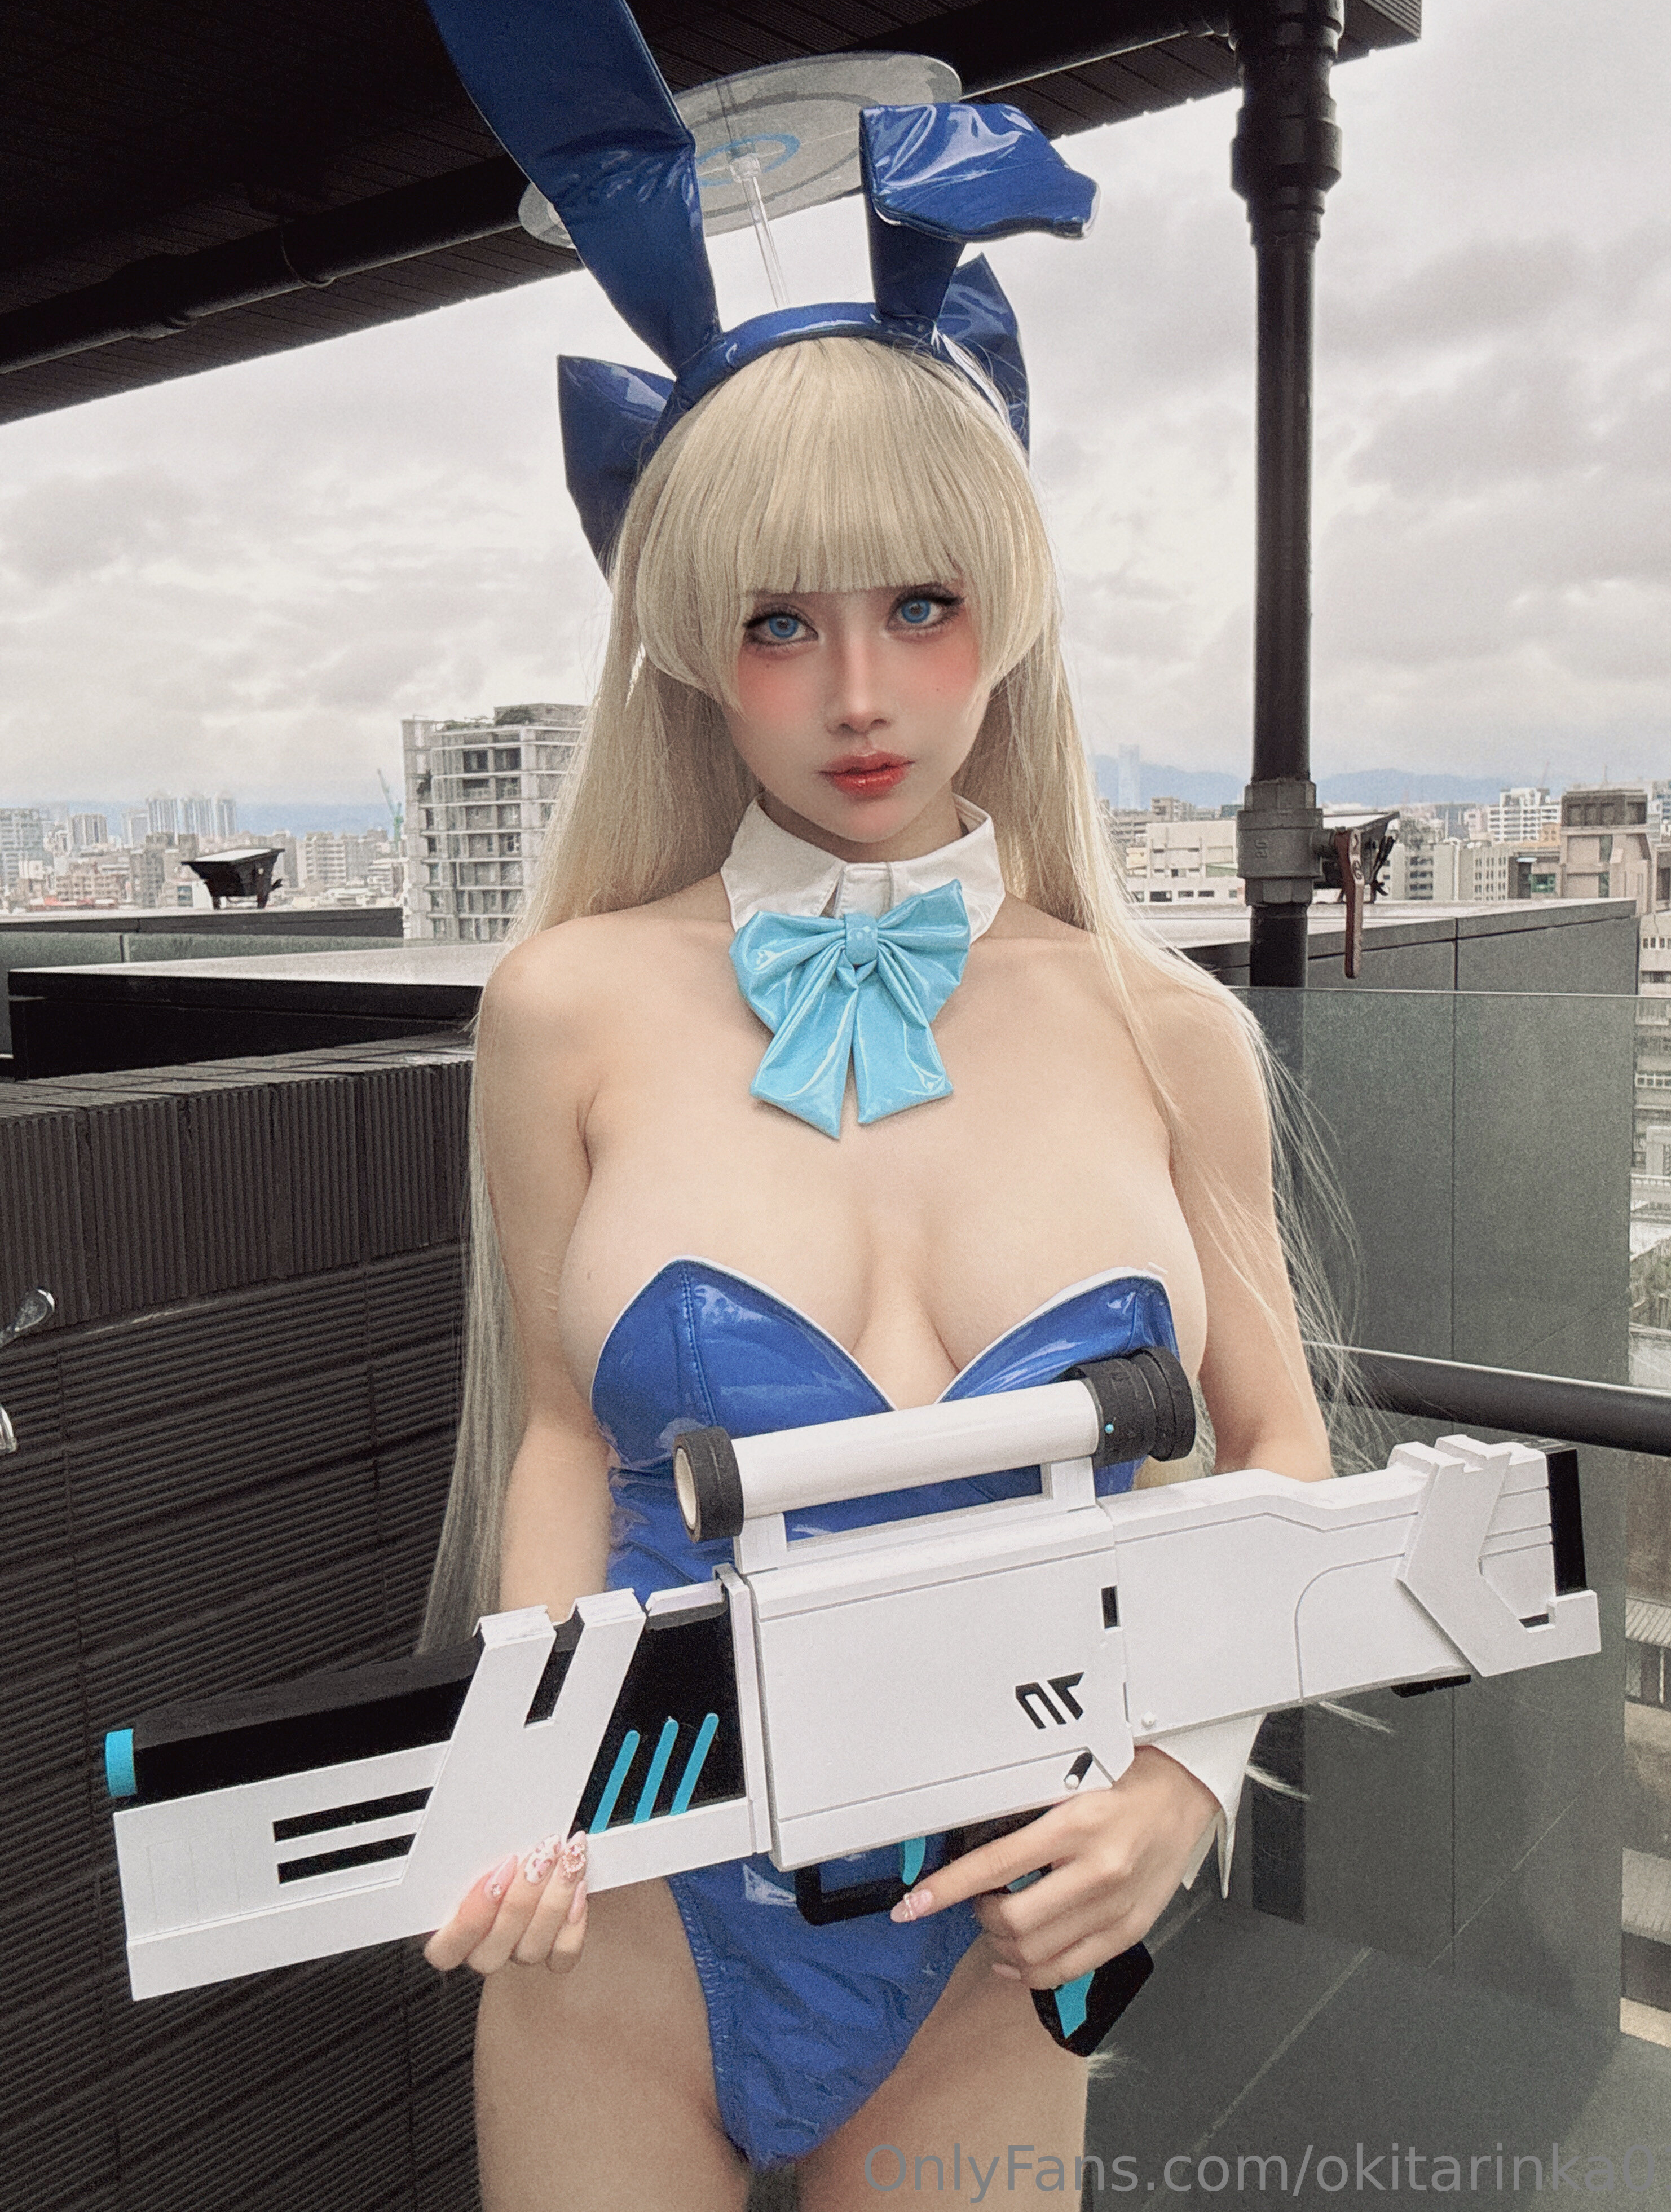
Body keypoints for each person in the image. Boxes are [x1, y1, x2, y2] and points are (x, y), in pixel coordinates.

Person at [411, 328, 1336, 2209]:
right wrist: (523, 1785)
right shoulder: (562, 1009)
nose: (858, 693)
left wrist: (1185, 1780)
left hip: (999, 1925)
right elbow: (564, 1435)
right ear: (689, 646)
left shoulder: (1169, 1032)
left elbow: (1277, 1449)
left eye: (922, 605)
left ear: (1011, 614)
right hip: (633, 1911)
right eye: (779, 623)